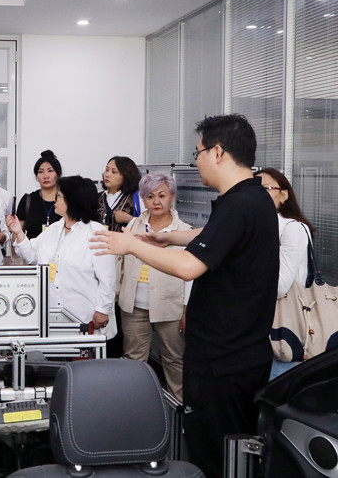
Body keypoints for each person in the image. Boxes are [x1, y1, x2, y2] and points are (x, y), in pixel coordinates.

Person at [91, 114, 279, 478]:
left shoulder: (239, 204)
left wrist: (131, 244)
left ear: (218, 152)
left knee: (215, 455)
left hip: (223, 359)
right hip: (241, 354)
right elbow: (213, 235)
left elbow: (188, 268)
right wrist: (166, 238)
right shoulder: (253, 198)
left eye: (198, 154)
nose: (197, 162)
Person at [8, 176, 116, 339]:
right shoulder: (54, 229)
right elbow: (32, 256)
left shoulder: (96, 232)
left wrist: (103, 309)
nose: (54, 199)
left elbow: (107, 279)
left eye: (58, 196)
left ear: (72, 200)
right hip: (53, 315)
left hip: (85, 315)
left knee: (85, 354)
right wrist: (18, 232)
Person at [118, 171, 192, 402]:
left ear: (172, 197)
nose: (156, 201)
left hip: (170, 307)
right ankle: (135, 409)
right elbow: (120, 263)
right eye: (150, 196)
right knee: (133, 361)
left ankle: (178, 409)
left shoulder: (184, 231)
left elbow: (190, 276)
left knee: (174, 361)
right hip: (134, 306)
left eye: (162, 195)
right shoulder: (133, 225)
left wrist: (186, 309)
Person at [255, 167, 314, 379]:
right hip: (260, 328)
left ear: (284, 195)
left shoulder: (292, 228)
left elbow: (279, 286)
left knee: (277, 387)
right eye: (254, 191)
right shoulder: (258, 226)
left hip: (286, 324)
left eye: (266, 189)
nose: (258, 196)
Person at [15, 150, 62, 239]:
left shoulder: (67, 200)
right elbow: (17, 235)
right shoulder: (28, 200)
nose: (46, 176)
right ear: (36, 176)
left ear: (58, 174)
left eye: (50, 171)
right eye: (41, 172)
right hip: (31, 248)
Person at [98, 155, 142, 232]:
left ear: (126, 175)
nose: (107, 175)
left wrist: (130, 219)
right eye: (107, 170)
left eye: (114, 172)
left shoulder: (137, 197)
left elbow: (151, 226)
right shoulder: (97, 197)